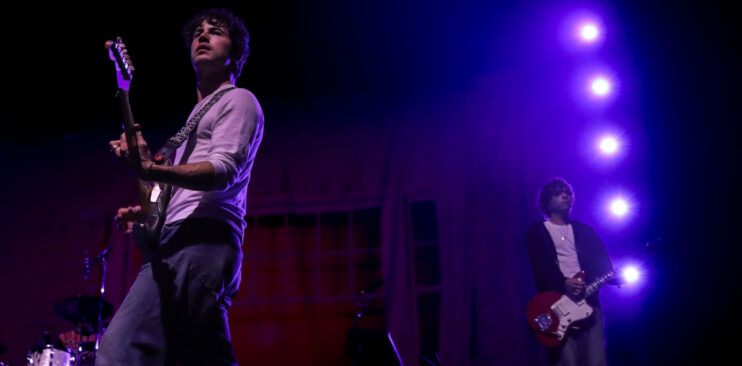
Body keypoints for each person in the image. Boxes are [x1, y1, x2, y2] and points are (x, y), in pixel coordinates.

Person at [97, 8, 264, 366]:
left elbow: (223, 172)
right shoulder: (192, 120)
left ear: (235, 52)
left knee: (120, 350)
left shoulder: (239, 100)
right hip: (186, 241)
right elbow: (178, 192)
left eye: (215, 32)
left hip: (197, 242)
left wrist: (150, 171)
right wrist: (146, 210)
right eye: (197, 33)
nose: (202, 36)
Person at [525, 178, 617, 366]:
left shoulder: (584, 230)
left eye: (568, 192)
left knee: (597, 360)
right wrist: (563, 282)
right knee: (567, 362)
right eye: (559, 193)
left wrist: (614, 276)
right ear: (546, 201)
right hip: (556, 302)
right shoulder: (538, 231)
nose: (565, 195)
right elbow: (539, 266)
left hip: (589, 301)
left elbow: (602, 263)